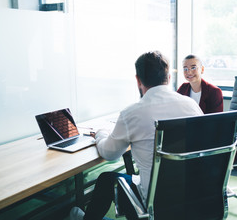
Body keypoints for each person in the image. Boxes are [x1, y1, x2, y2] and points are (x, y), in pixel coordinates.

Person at [70, 51, 203, 220]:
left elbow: (110, 154)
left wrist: (100, 134)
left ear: (138, 80)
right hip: (192, 198)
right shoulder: (191, 105)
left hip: (154, 205)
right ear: (168, 78)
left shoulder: (132, 113)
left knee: (106, 179)